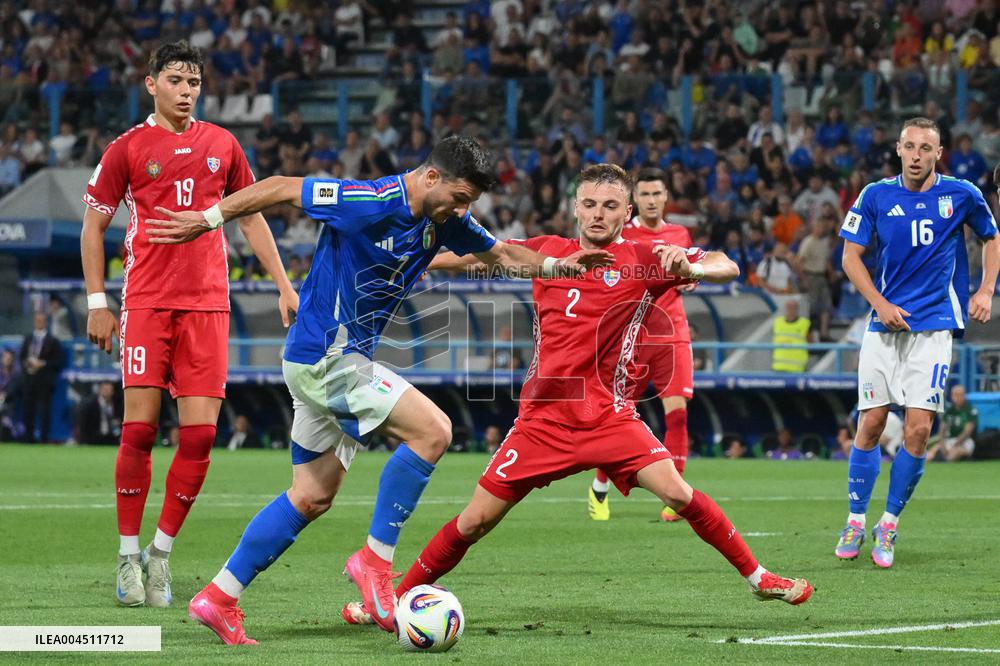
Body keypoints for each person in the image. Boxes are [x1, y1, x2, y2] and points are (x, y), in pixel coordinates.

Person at [146, 136, 613, 643]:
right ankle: (375, 563)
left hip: (336, 360)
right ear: (431, 178)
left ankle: (219, 596)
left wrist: (558, 268)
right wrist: (207, 220)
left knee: (311, 496)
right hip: (326, 357)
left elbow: (499, 253)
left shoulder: (445, 219)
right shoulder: (367, 200)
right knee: (434, 430)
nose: (464, 209)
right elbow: (281, 186)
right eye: (461, 197)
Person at [343, 164, 812, 628]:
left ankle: (760, 577)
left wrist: (689, 264)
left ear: (627, 212)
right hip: (541, 423)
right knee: (474, 522)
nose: (598, 214)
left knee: (677, 492)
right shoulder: (548, 252)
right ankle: (391, 601)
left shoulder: (647, 258)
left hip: (609, 418)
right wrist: (407, 260)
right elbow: (480, 256)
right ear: (575, 208)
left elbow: (726, 265)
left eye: (610, 206)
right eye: (589, 204)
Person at [80, 41, 296, 609]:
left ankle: (160, 555)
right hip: (148, 304)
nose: (187, 89)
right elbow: (92, 228)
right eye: (176, 79)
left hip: (207, 306)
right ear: (150, 83)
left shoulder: (222, 145)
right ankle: (127, 555)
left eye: (194, 81)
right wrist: (97, 302)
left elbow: (249, 216)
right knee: (140, 431)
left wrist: (282, 283)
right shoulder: (126, 148)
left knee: (200, 436)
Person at [834, 118, 998, 568]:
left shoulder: (962, 194)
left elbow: (991, 235)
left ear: (938, 152)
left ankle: (888, 523)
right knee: (869, 425)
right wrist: (879, 303)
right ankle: (854, 518)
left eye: (925, 148)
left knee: (919, 429)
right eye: (909, 146)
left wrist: (985, 290)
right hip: (883, 329)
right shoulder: (875, 195)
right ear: (899, 149)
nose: (916, 155)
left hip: (933, 329)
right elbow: (850, 257)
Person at [586, 168, 698, 523]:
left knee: (677, 414)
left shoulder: (679, 234)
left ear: (666, 197)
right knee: (616, 419)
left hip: (672, 333)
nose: (652, 201)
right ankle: (600, 486)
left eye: (657, 194)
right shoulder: (623, 237)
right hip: (630, 337)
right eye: (645, 195)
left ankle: (675, 498)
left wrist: (691, 277)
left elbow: (690, 269)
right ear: (635, 202)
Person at [19, 312, 63, 443]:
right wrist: (27, 363)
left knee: (44, 411)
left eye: (41, 321)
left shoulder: (53, 341)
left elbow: (58, 362)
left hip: (44, 381)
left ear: (46, 322)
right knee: (28, 410)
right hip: (29, 380)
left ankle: (44, 439)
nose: (39, 323)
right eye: (37, 320)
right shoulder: (28, 339)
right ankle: (28, 438)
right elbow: (21, 357)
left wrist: (42, 364)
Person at [926, 384, 978, 462]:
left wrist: (955, 444)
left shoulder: (970, 410)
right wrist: (942, 444)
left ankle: (947, 461)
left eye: (960, 395)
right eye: (956, 395)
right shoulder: (949, 411)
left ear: (964, 396)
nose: (958, 398)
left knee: (953, 455)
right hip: (950, 440)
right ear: (952, 396)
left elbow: (967, 431)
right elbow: (942, 429)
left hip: (965, 441)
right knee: (929, 456)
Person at [76, 381, 123, 446]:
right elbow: (83, 423)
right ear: (100, 390)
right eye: (105, 389)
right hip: (94, 438)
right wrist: (83, 440)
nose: (107, 392)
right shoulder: (90, 404)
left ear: (113, 392)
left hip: (112, 438)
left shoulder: (117, 405)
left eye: (109, 390)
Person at [771, 299, 810, 373]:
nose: (791, 310)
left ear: (797, 309)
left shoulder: (805, 323)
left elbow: (810, 342)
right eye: (789, 307)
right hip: (779, 367)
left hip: (798, 368)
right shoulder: (777, 322)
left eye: (793, 307)